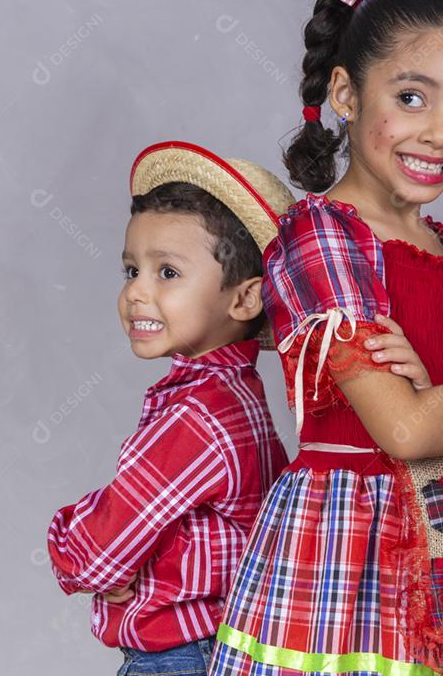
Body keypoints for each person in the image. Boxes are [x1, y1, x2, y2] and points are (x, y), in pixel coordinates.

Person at [208, 0, 443, 675]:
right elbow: (404, 429)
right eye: (412, 97)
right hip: (345, 557)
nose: (440, 133)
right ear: (346, 93)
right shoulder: (322, 238)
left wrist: (439, 405)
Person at [47, 141, 294, 675]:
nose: (136, 292)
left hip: (180, 659)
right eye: (131, 270)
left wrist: (69, 544)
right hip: (223, 647)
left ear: (246, 300)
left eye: (167, 273)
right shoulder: (238, 396)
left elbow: (99, 551)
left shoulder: (195, 417)